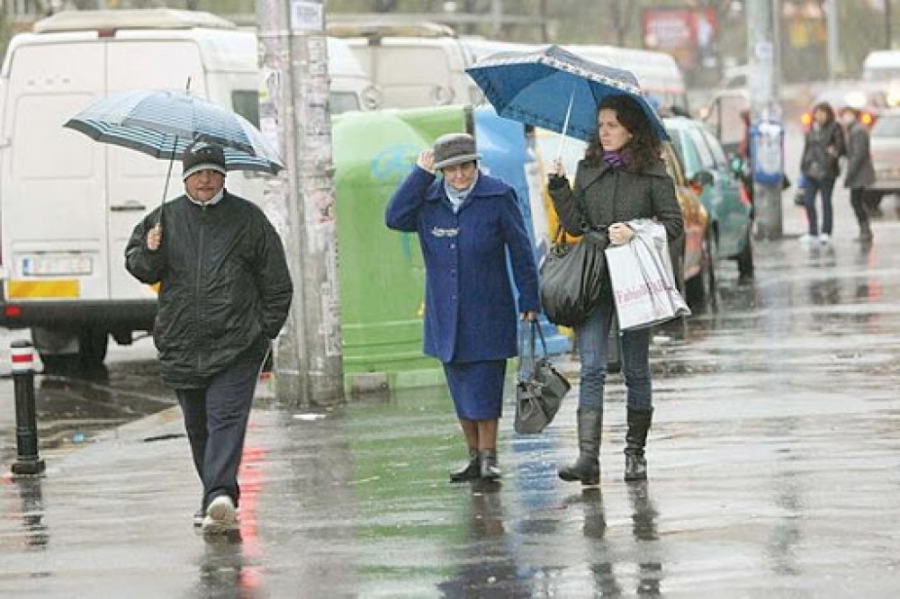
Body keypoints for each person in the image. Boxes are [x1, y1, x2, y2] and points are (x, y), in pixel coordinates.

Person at [125, 141, 293, 534]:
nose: (205, 180)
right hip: (182, 344)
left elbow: (278, 285)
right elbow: (141, 267)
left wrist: (261, 332)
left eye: (213, 173)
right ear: (185, 177)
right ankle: (216, 499)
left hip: (237, 345)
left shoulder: (248, 220)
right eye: (197, 173)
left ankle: (219, 493)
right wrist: (149, 251)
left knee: (225, 420)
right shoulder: (163, 219)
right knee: (198, 427)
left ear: (224, 176)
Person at [385, 132, 540, 482]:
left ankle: (489, 456)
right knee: (459, 386)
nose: (459, 176)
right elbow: (394, 217)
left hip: (488, 306)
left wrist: (529, 299)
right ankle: (473, 455)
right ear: (441, 171)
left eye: (465, 167)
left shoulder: (498, 196)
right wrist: (419, 175)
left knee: (485, 383)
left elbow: (520, 250)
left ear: (476, 165)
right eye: (450, 170)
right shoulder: (428, 199)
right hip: (444, 310)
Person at [547, 94, 684, 484]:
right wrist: (559, 187)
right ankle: (588, 458)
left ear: (630, 129)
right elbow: (574, 226)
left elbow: (673, 224)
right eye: (601, 125)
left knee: (635, 369)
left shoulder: (653, 172)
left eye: (612, 125)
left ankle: (635, 454)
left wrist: (636, 230)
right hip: (594, 278)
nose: (604, 132)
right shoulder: (586, 168)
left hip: (635, 280)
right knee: (591, 367)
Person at [799, 102, 846, 245]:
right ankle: (812, 231)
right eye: (817, 113)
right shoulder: (812, 129)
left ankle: (826, 231)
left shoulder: (834, 128)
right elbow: (807, 147)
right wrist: (804, 165)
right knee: (808, 201)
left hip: (827, 171)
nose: (819, 116)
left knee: (826, 201)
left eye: (822, 113)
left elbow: (840, 148)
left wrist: (831, 157)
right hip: (810, 170)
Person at [840, 106, 875, 243]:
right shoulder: (852, 130)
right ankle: (864, 229)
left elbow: (858, 154)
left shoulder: (858, 130)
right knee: (857, 201)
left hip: (860, 173)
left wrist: (851, 173)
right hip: (859, 172)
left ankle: (865, 230)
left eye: (847, 114)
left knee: (856, 201)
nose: (845, 118)